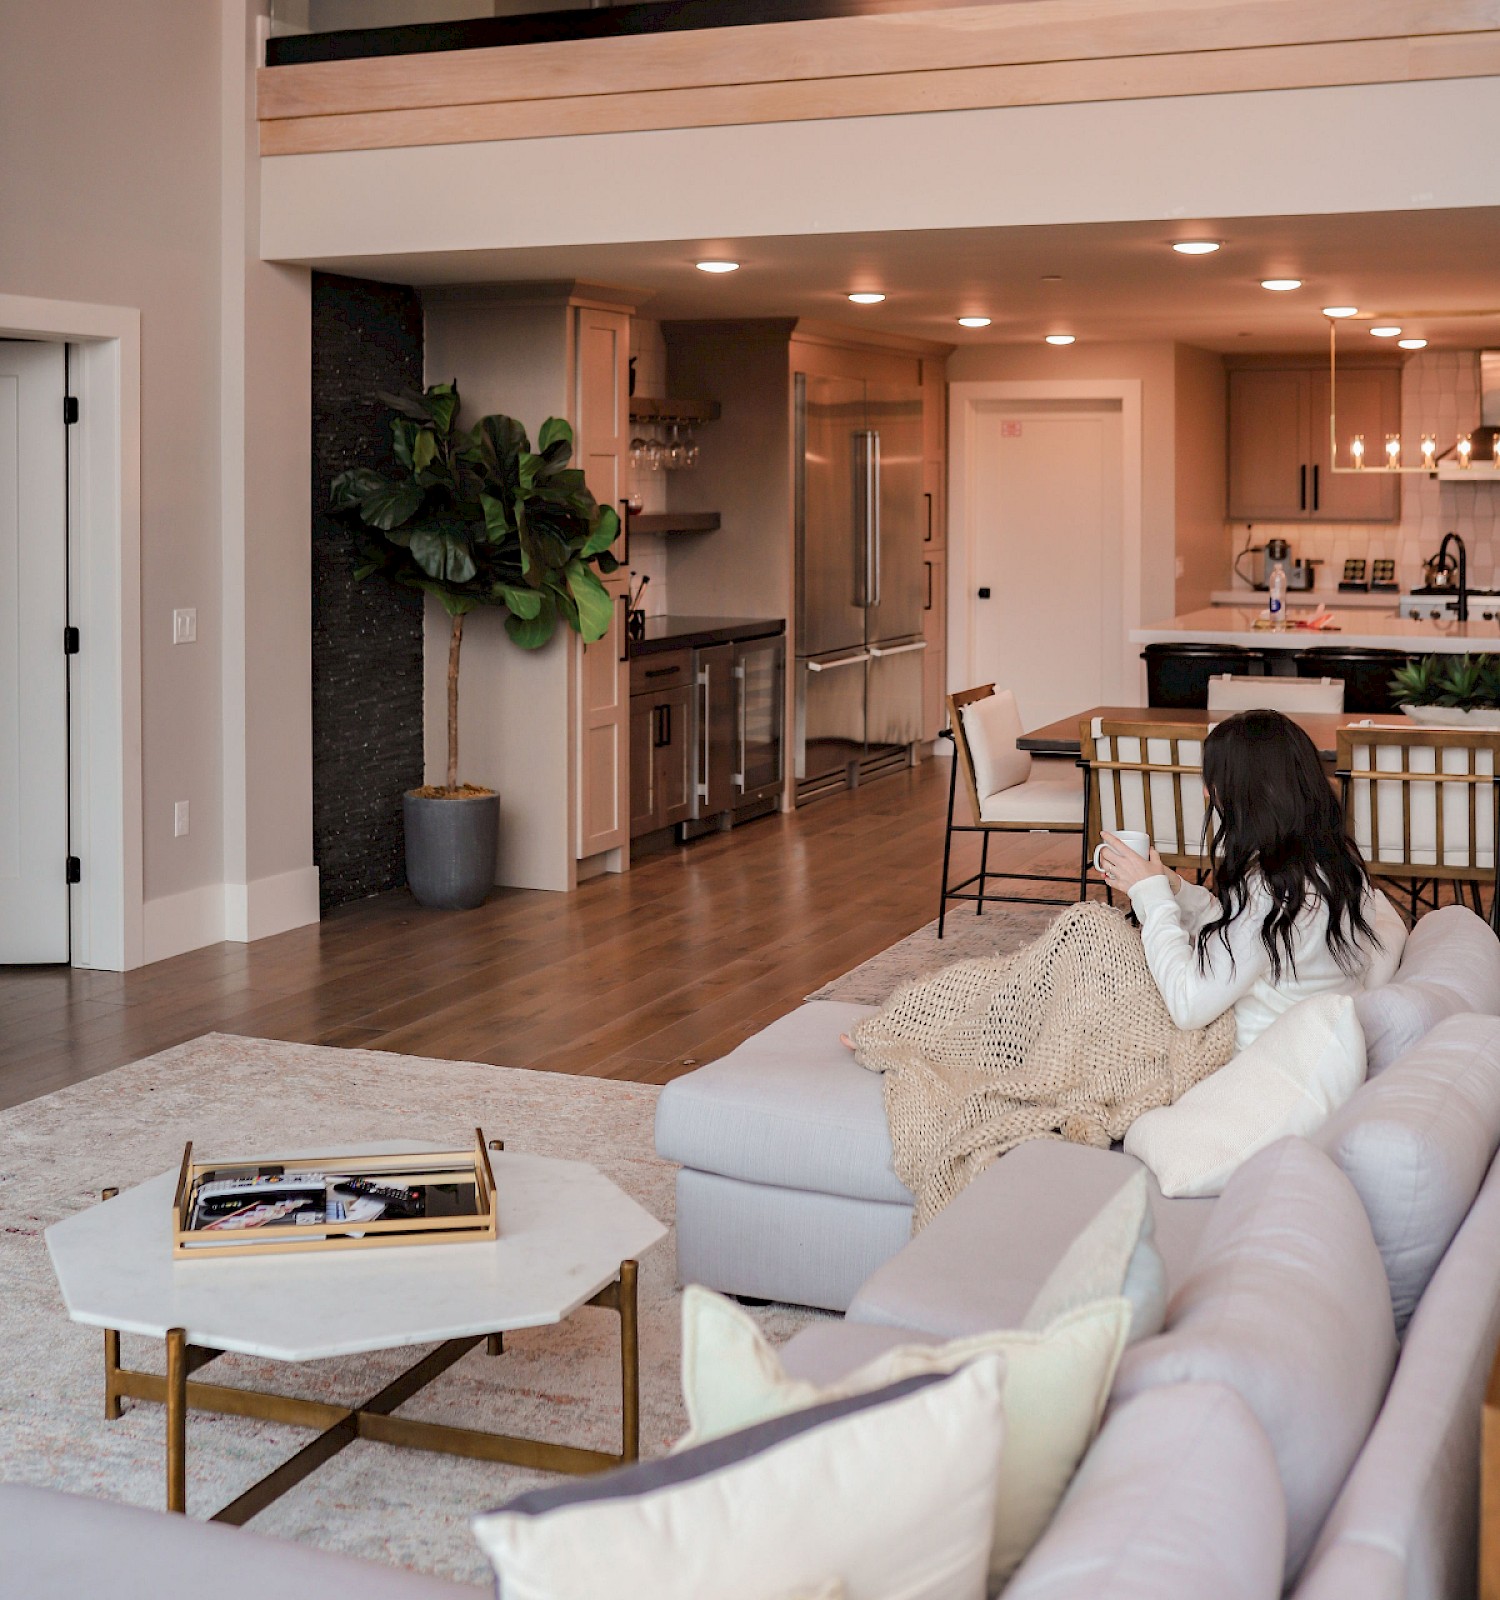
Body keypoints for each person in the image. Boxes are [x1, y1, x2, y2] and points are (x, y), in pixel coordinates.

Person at [1096, 708, 1404, 1052]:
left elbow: (1187, 1004)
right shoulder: (1338, 863)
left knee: (1090, 937)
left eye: (1213, 781)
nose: (1206, 793)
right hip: (1308, 1035)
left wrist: (1151, 898)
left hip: (1256, 1055)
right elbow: (1240, 934)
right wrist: (1174, 889)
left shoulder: (1270, 893)